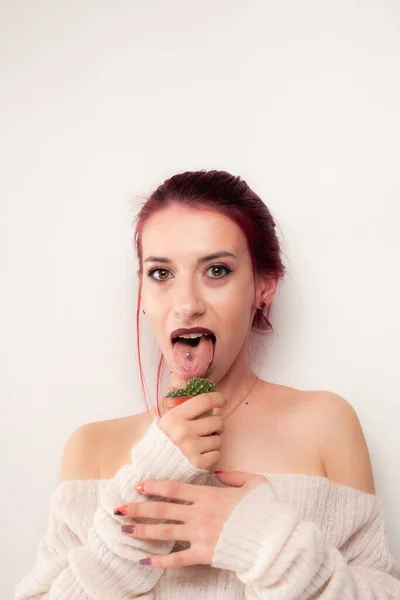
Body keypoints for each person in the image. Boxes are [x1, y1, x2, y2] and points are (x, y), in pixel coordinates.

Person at [16, 170, 400, 599]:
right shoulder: (93, 448)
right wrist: (148, 484)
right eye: (161, 274)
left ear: (263, 287)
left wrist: (265, 542)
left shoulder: (325, 425)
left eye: (216, 270)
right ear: (142, 291)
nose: (187, 304)